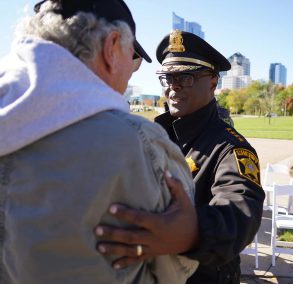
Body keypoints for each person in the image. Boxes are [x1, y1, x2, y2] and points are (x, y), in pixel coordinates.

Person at [0, 1, 199, 283]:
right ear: (112, 46)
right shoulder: (141, 144)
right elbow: (173, 270)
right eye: (132, 57)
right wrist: (192, 236)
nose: (131, 72)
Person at [95, 30, 265, 283]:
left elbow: (241, 214)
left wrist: (192, 233)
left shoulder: (230, 148)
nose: (173, 87)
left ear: (212, 82)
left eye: (185, 77)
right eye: (167, 77)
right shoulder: (151, 136)